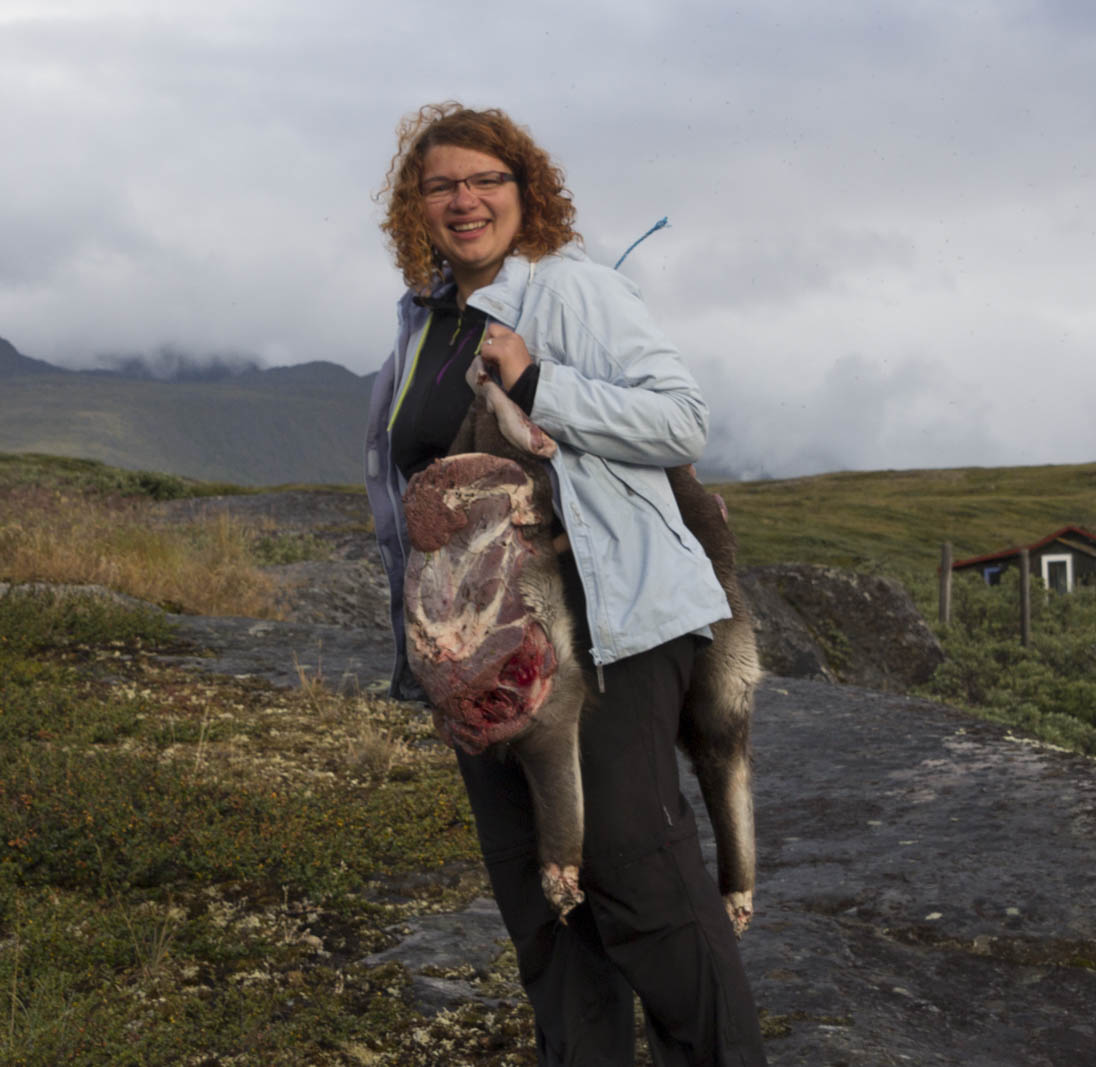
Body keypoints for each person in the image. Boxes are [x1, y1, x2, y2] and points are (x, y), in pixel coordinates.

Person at [363, 102, 768, 1066]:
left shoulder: (573, 291)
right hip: (488, 656)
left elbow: (682, 420)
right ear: (415, 207)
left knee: (641, 886)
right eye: (440, 185)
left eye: (486, 180)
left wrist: (541, 384)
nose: (464, 200)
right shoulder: (424, 324)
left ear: (526, 190)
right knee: (544, 910)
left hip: (608, 628)